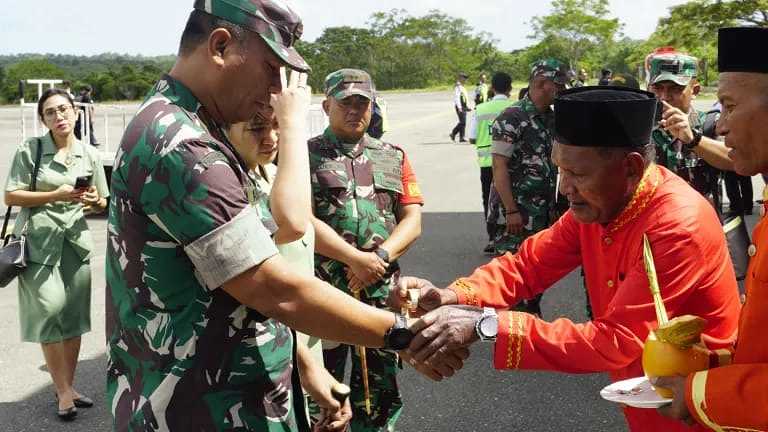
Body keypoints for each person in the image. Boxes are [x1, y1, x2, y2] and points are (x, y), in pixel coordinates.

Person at [105, 3, 461, 431]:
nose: (276, 91)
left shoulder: (197, 130)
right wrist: (404, 333)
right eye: (272, 69)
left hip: (228, 396)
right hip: (201, 409)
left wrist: (305, 366)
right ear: (220, 46)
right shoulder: (183, 146)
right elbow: (275, 288)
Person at [396, 86, 742, 431]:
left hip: (700, 411)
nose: (564, 187)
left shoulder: (676, 223)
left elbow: (617, 339)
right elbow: (528, 265)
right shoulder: (600, 205)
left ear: (632, 168)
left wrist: (486, 325)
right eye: (560, 170)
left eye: (577, 174)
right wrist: (451, 296)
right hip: (648, 401)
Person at [654, 26, 768, 431]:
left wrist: (699, 394)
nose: (721, 125)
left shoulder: (700, 127)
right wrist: (708, 368)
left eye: (731, 107)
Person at [308, 68, 424, 432]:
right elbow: (296, 218)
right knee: (319, 392)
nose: (355, 110)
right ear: (327, 105)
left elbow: (412, 219)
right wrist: (354, 259)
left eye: (363, 103)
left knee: (378, 389)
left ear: (373, 108)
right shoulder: (302, 156)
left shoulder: (392, 156)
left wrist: (379, 259)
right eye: (346, 102)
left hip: (380, 294)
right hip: (323, 293)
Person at [5, 88, 109, 421]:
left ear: (76, 113)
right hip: (37, 244)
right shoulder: (30, 150)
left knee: (74, 319)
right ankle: (63, 391)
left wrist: (92, 201)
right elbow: (11, 196)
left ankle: (68, 385)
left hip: (75, 244)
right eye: (50, 112)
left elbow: (102, 201)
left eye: (64, 109)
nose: (59, 116)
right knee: (50, 312)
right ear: (43, 119)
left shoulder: (89, 154)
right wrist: (54, 195)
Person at [487, 58, 568, 317]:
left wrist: (555, 206)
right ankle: (511, 333)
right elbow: (499, 168)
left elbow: (555, 165)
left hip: (541, 213)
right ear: (542, 84)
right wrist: (511, 211)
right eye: (559, 86)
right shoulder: (512, 118)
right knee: (511, 277)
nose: (562, 91)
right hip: (515, 214)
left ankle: (528, 323)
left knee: (536, 274)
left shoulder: (551, 119)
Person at [646, 50, 724, 211]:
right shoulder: (640, 128)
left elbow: (735, 160)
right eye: (657, 89)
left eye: (675, 88)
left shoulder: (710, 124)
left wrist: (693, 139)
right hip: (653, 226)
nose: (664, 97)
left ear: (694, 91)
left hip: (699, 223)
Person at [467, 72, 516, 254]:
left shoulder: (481, 109)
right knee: (511, 198)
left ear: (492, 88)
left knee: (489, 200)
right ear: (510, 88)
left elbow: (471, 137)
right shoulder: (516, 107)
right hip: (511, 163)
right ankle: (512, 235)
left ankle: (492, 237)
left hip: (487, 164)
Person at [450, 73, 470, 142]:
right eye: (464, 78)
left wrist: (467, 106)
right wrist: (459, 107)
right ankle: (453, 133)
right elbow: (457, 98)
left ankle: (462, 137)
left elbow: (464, 98)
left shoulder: (462, 86)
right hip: (460, 106)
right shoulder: (458, 87)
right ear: (461, 78)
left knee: (463, 122)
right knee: (462, 122)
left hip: (463, 106)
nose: (465, 80)